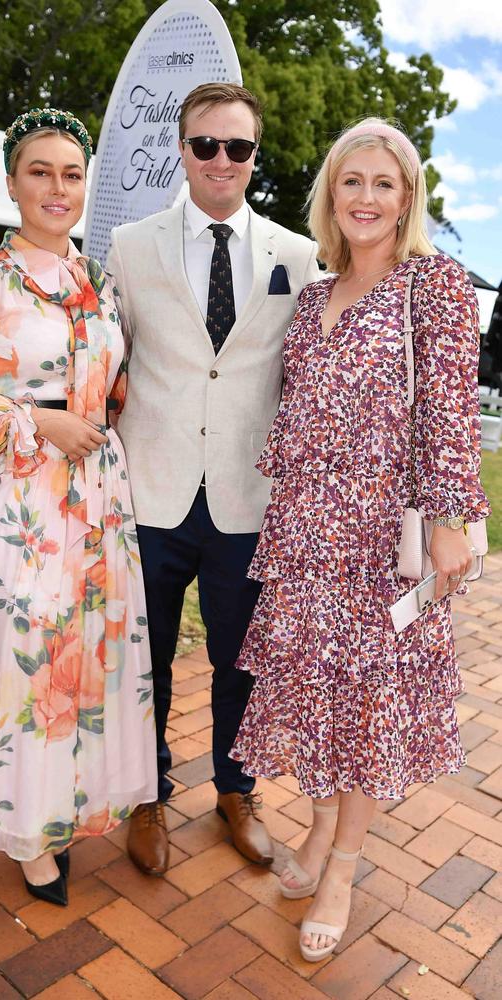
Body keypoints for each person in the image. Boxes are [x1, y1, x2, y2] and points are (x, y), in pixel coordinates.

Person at [230, 118, 491, 960]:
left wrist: (452, 518)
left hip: (387, 541)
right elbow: (293, 409)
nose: (367, 198)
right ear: (330, 195)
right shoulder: (312, 296)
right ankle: (312, 834)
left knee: (368, 707)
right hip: (308, 533)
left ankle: (343, 864)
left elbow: (449, 414)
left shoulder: (436, 286)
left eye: (384, 183)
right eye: (352, 182)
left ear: (407, 196)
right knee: (318, 700)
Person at [0, 108, 157, 907]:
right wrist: (34, 421)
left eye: (71, 173)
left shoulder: (100, 285)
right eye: (39, 171)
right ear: (11, 181)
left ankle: (68, 807)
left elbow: (116, 390)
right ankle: (25, 835)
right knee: (23, 670)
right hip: (18, 516)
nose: (57, 187)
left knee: (86, 666)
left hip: (98, 512)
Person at [107, 82, 319, 875]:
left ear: (255, 155)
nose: (220, 160)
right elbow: (106, 362)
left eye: (237, 147)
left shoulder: (298, 257)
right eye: (205, 145)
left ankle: (236, 790)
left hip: (246, 495)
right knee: (145, 658)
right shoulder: (131, 247)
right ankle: (145, 795)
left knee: (239, 661)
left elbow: (305, 377)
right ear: (182, 148)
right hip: (151, 490)